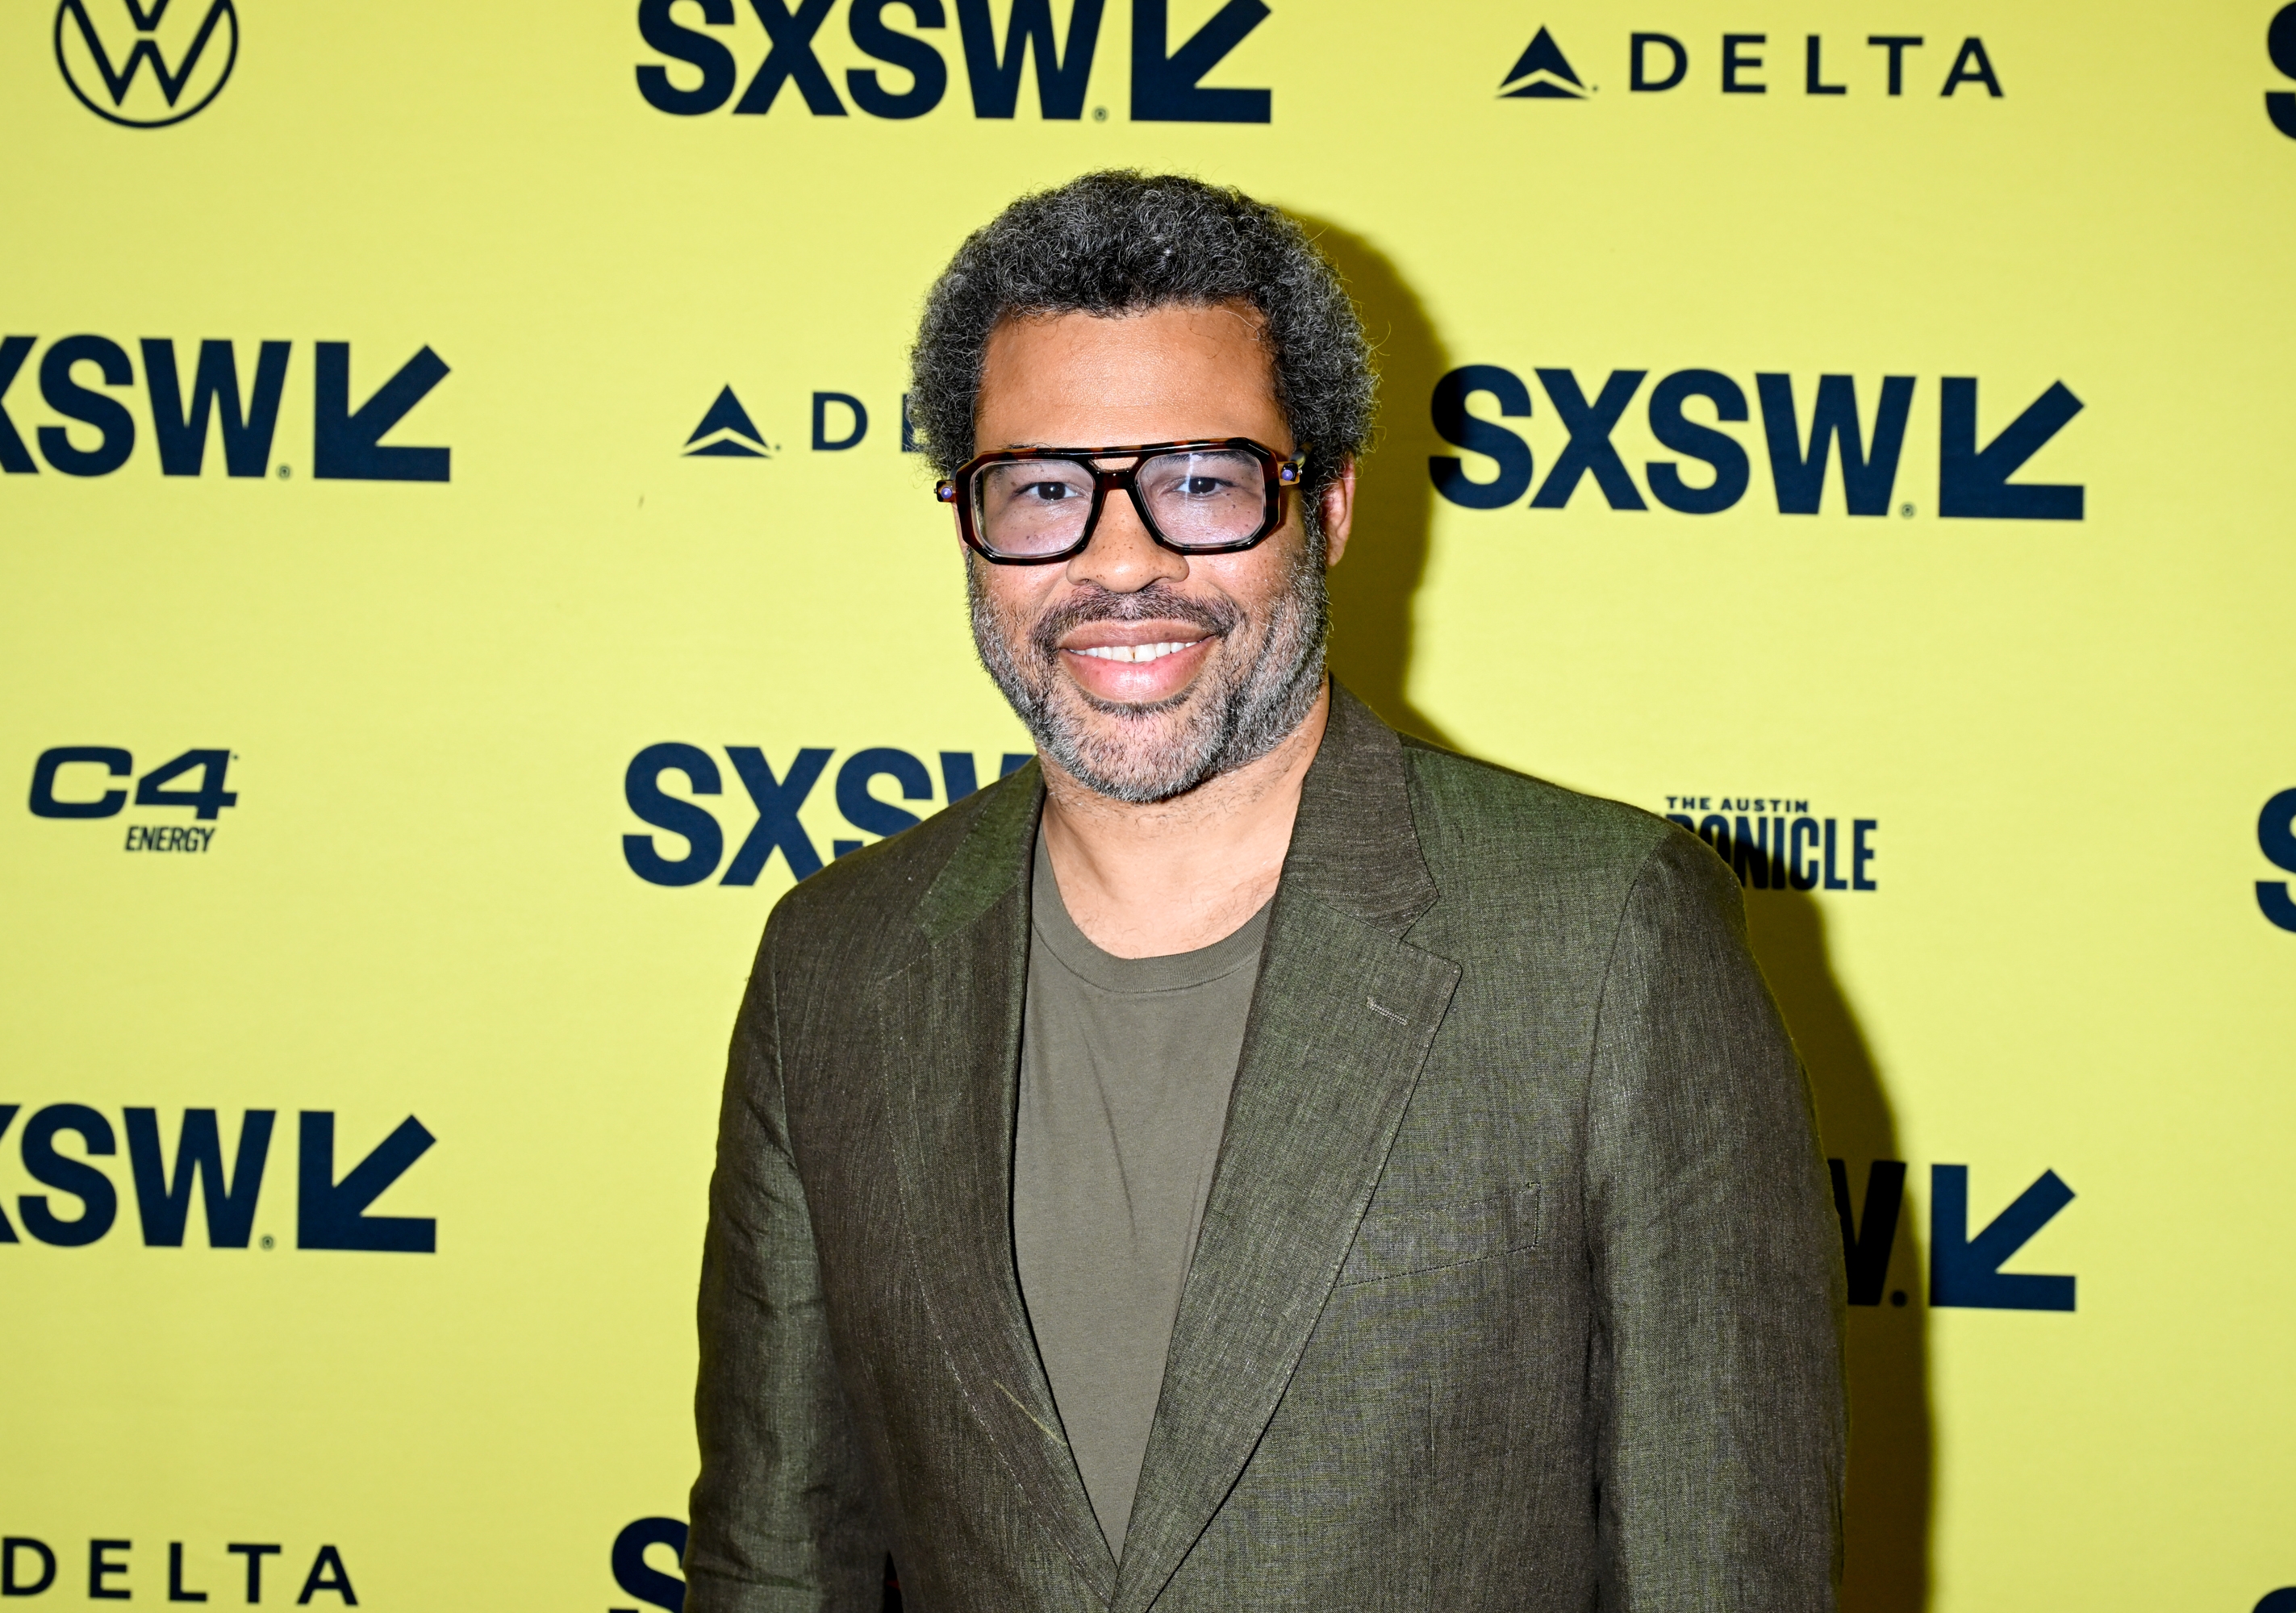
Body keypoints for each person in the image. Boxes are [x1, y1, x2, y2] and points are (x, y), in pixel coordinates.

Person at [683, 169, 1845, 1612]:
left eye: (1201, 482)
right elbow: (775, 1559)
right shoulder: (834, 962)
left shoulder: (1607, 937)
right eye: (1043, 489)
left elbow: (1725, 1572)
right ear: (967, 527)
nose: (1122, 562)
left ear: (1330, 506)